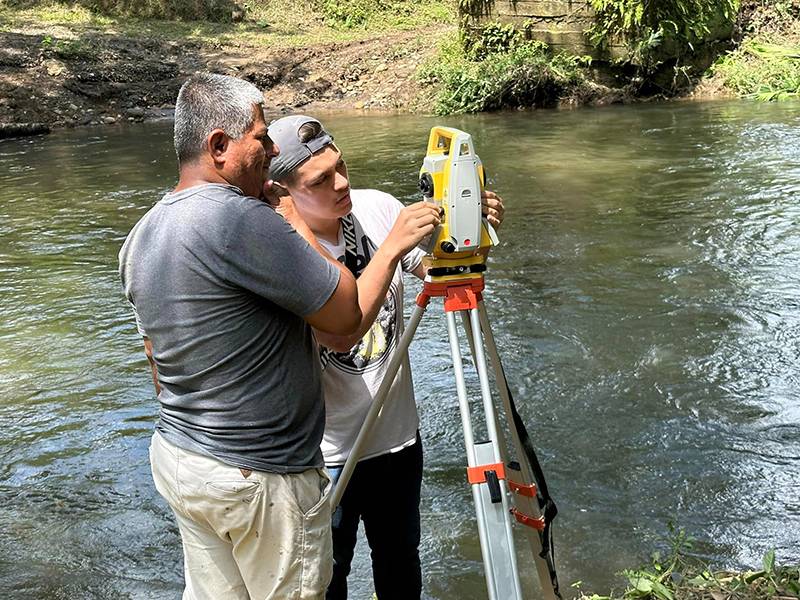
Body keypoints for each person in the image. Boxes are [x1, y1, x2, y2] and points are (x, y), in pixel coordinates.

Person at [118, 74, 363, 600]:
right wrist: (293, 219)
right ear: (220, 146)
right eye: (261, 135)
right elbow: (345, 313)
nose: (274, 150)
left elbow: (156, 361)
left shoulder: (143, 234)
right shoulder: (241, 217)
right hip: (260, 476)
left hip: (183, 457)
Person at [265, 115, 505, 600]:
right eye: (321, 180)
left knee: (400, 565)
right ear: (282, 193)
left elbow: (439, 275)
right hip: (323, 456)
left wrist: (469, 227)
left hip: (396, 440)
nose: (342, 183)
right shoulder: (275, 248)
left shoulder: (376, 209)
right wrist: (392, 248)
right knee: (323, 579)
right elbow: (337, 331)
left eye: (342, 166)